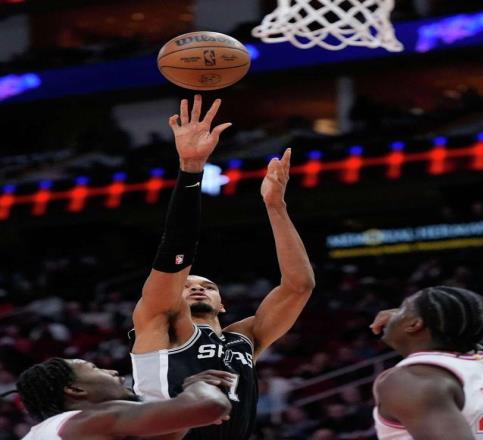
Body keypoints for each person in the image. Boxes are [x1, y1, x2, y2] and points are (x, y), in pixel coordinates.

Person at [130, 95, 315, 440]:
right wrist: (191, 169)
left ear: (222, 304)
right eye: (188, 285)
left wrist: (276, 207)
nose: (197, 287)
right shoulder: (161, 323)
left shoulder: (245, 339)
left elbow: (298, 286)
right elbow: (176, 250)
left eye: (208, 286)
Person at [370, 285, 483, 440]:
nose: (391, 314)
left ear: (414, 325)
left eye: (403, 308)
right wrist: (407, 317)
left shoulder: (409, 381)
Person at [15, 357, 232, 440]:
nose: (112, 371)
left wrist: (186, 412)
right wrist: (196, 386)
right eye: (95, 367)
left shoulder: (51, 431)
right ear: (75, 389)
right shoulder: (88, 419)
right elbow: (210, 406)